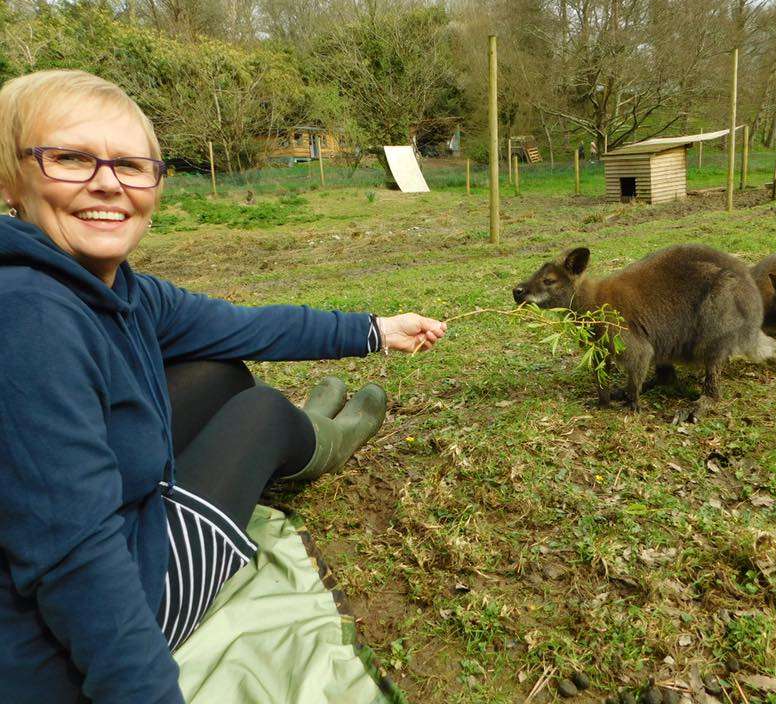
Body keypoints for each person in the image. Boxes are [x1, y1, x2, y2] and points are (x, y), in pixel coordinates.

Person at [0, 69, 447, 703]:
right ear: (9, 182)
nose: (108, 182)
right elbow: (76, 561)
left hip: (118, 515)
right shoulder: (29, 316)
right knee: (260, 411)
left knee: (220, 371)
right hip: (88, 623)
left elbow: (244, 327)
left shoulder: (111, 289)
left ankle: (301, 429)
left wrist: (374, 330)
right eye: (70, 158)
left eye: (131, 164)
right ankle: (322, 440)